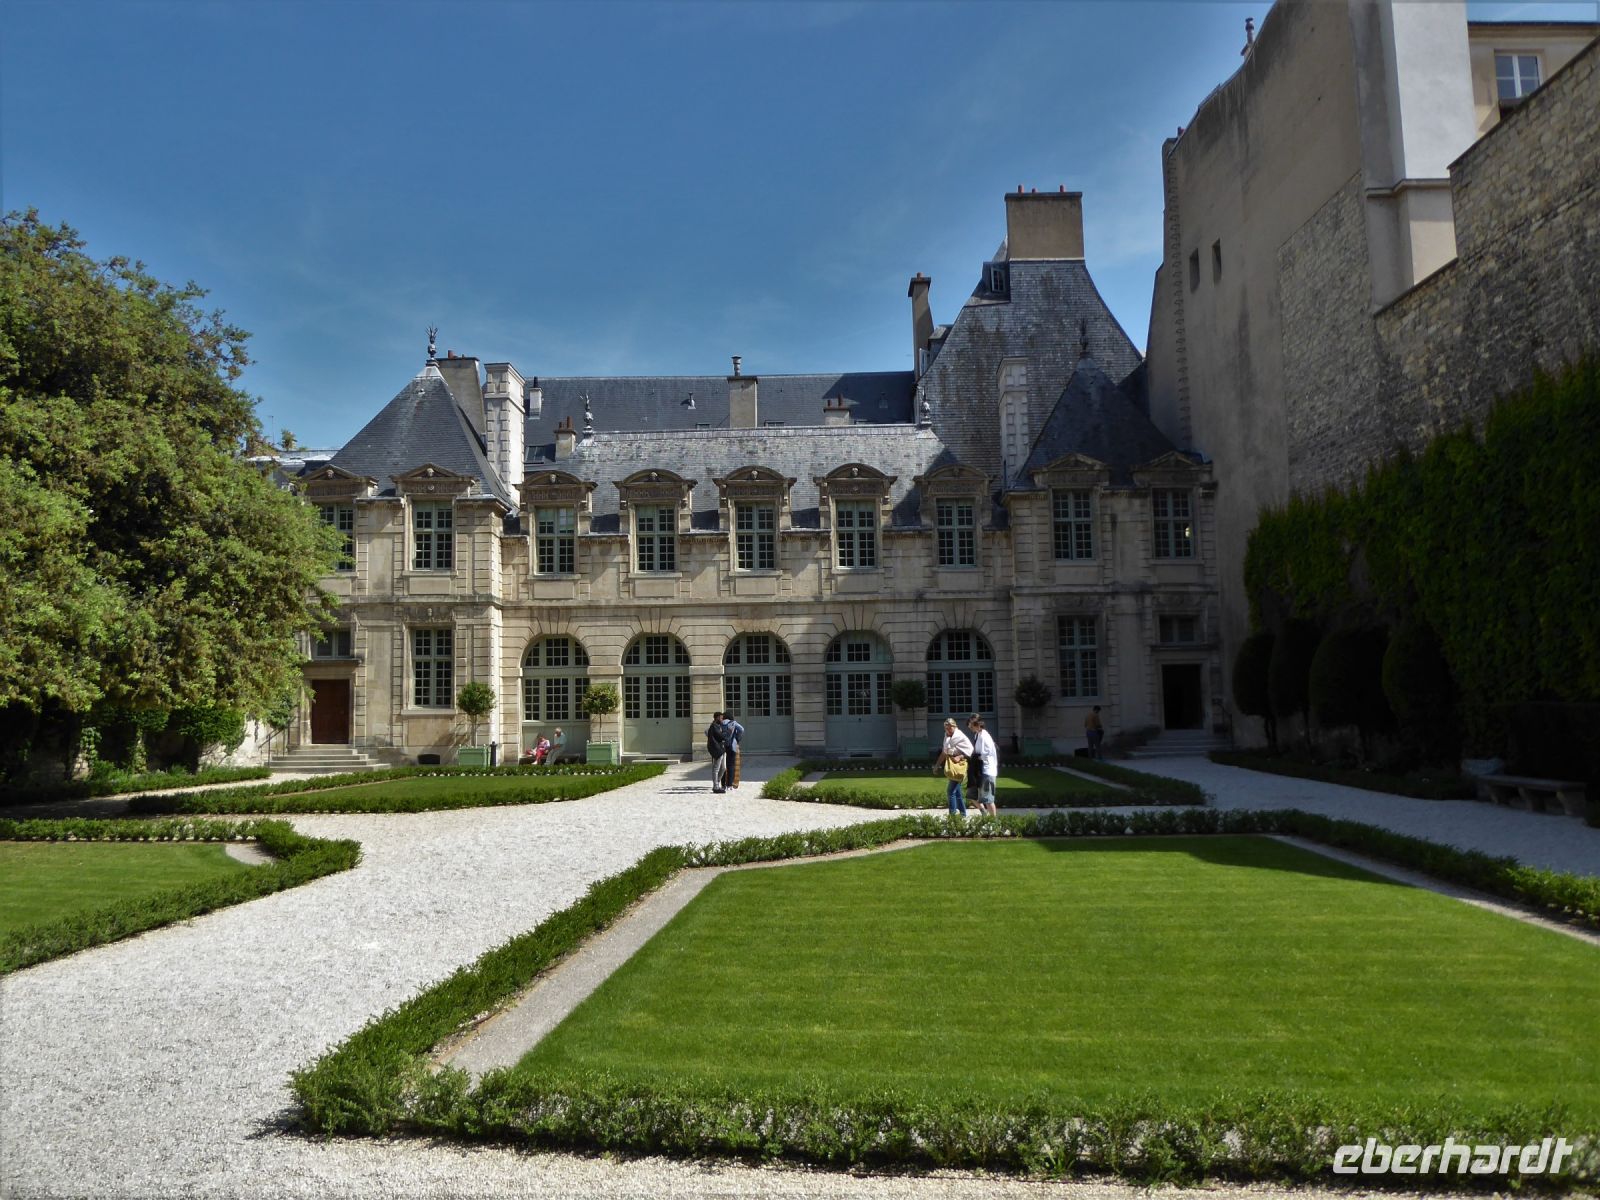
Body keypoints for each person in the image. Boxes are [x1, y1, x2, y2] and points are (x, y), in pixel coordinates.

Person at [934, 716, 974, 815]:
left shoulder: (959, 736)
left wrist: (960, 756)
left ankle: (952, 816)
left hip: (960, 766)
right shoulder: (947, 736)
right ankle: (963, 814)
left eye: (950, 727)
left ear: (954, 726)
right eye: (946, 728)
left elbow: (971, 751)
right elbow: (944, 752)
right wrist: (937, 765)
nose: (948, 730)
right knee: (957, 792)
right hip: (953, 766)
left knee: (950, 791)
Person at [967, 713, 999, 816]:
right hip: (979, 770)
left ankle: (994, 823)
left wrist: (976, 757)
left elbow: (986, 754)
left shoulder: (984, 736)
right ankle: (984, 813)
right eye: (970, 723)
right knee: (972, 795)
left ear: (978, 724)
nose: (970, 726)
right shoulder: (977, 735)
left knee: (988, 799)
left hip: (987, 771)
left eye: (972, 724)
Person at [720, 713, 746, 790]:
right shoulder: (733, 723)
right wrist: (737, 738)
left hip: (722, 746)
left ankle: (723, 784)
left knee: (722, 765)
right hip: (732, 745)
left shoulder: (720, 723)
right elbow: (742, 729)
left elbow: (707, 732)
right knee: (730, 765)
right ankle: (729, 785)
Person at [706, 711, 730, 793]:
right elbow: (720, 736)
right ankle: (715, 787)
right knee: (716, 768)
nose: (722, 719)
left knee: (723, 768)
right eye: (721, 718)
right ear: (717, 718)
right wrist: (728, 732)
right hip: (717, 749)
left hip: (721, 749)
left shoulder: (717, 726)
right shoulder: (714, 726)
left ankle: (717, 782)